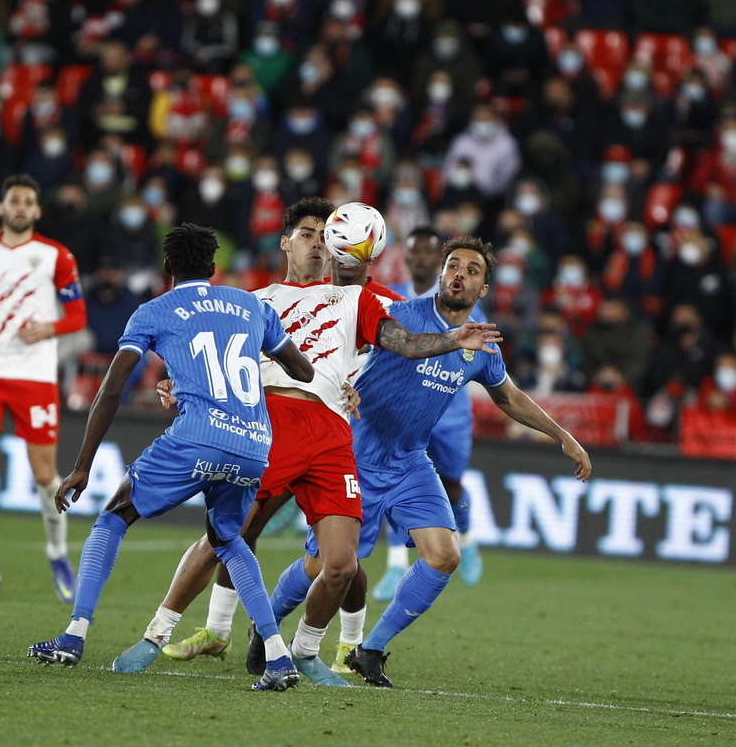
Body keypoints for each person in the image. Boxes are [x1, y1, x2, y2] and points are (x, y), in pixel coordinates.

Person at [115, 201, 500, 683]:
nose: (318, 243)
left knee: (340, 562)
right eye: (308, 234)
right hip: (268, 428)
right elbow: (214, 360)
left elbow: (398, 342)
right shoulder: (253, 301)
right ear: (286, 242)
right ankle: (167, 631)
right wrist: (181, 385)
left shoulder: (359, 296)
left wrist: (444, 342)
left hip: (333, 435)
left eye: (326, 235)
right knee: (228, 535)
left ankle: (309, 649)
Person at [266, 236, 593, 687]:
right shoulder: (400, 314)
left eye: (472, 271)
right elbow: (339, 351)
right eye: (452, 265)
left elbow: (510, 398)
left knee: (443, 555)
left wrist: (563, 436)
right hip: (354, 457)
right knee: (323, 565)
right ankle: (263, 625)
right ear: (440, 275)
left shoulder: (482, 344)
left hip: (409, 462)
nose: (459, 274)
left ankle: (372, 649)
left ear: (483, 291)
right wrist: (344, 384)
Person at [25, 223, 316, 692]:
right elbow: (302, 370)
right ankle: (278, 656)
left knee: (114, 517)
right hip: (253, 445)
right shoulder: (251, 305)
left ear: (167, 269)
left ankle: (74, 635)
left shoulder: (154, 311)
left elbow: (112, 388)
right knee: (228, 540)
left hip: (197, 436)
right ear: (213, 268)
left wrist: (82, 465)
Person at [0, 175, 87, 598]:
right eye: (15, 201)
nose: (22, 207)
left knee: (45, 474)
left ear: (38, 211)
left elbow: (78, 316)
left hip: (34, 376)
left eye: (29, 201)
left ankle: (58, 552)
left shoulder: (54, 255)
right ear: (2, 208)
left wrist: (48, 328)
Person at [377, 225, 487, 601]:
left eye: (428, 252)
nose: (421, 258)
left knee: (452, 485)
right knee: (396, 482)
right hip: (407, 411)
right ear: (408, 258)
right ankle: (394, 564)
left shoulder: (467, 299)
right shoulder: (396, 302)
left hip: (451, 412)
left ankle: (467, 539)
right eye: (416, 252)